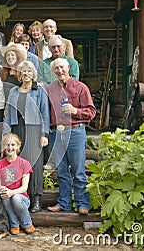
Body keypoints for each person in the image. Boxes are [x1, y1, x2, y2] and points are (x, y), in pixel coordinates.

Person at [46, 58, 96, 215]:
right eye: (56, 69)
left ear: (68, 67)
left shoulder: (80, 88)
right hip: (57, 133)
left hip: (76, 131)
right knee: (61, 171)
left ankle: (82, 203)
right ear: (53, 72)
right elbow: (45, 112)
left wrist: (76, 111)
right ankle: (64, 203)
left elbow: (91, 112)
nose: (60, 71)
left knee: (79, 170)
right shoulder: (50, 89)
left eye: (62, 67)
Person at [3, 61, 49, 213]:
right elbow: (9, 115)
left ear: (33, 74)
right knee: (18, 164)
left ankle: (36, 198)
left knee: (34, 165)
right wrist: (7, 134)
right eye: (23, 71)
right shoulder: (14, 92)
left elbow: (45, 113)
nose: (26, 74)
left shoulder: (39, 91)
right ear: (19, 75)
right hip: (17, 129)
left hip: (34, 129)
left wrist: (44, 134)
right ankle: (21, 197)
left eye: (29, 71)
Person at [0, 133, 35, 235]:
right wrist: (3, 189)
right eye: (7, 145)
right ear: (4, 147)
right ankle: (14, 224)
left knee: (15, 198)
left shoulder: (24, 163)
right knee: (4, 196)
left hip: (22, 199)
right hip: (6, 197)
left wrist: (11, 192)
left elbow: (24, 188)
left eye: (13, 145)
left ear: (17, 146)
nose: (10, 147)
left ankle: (27, 224)